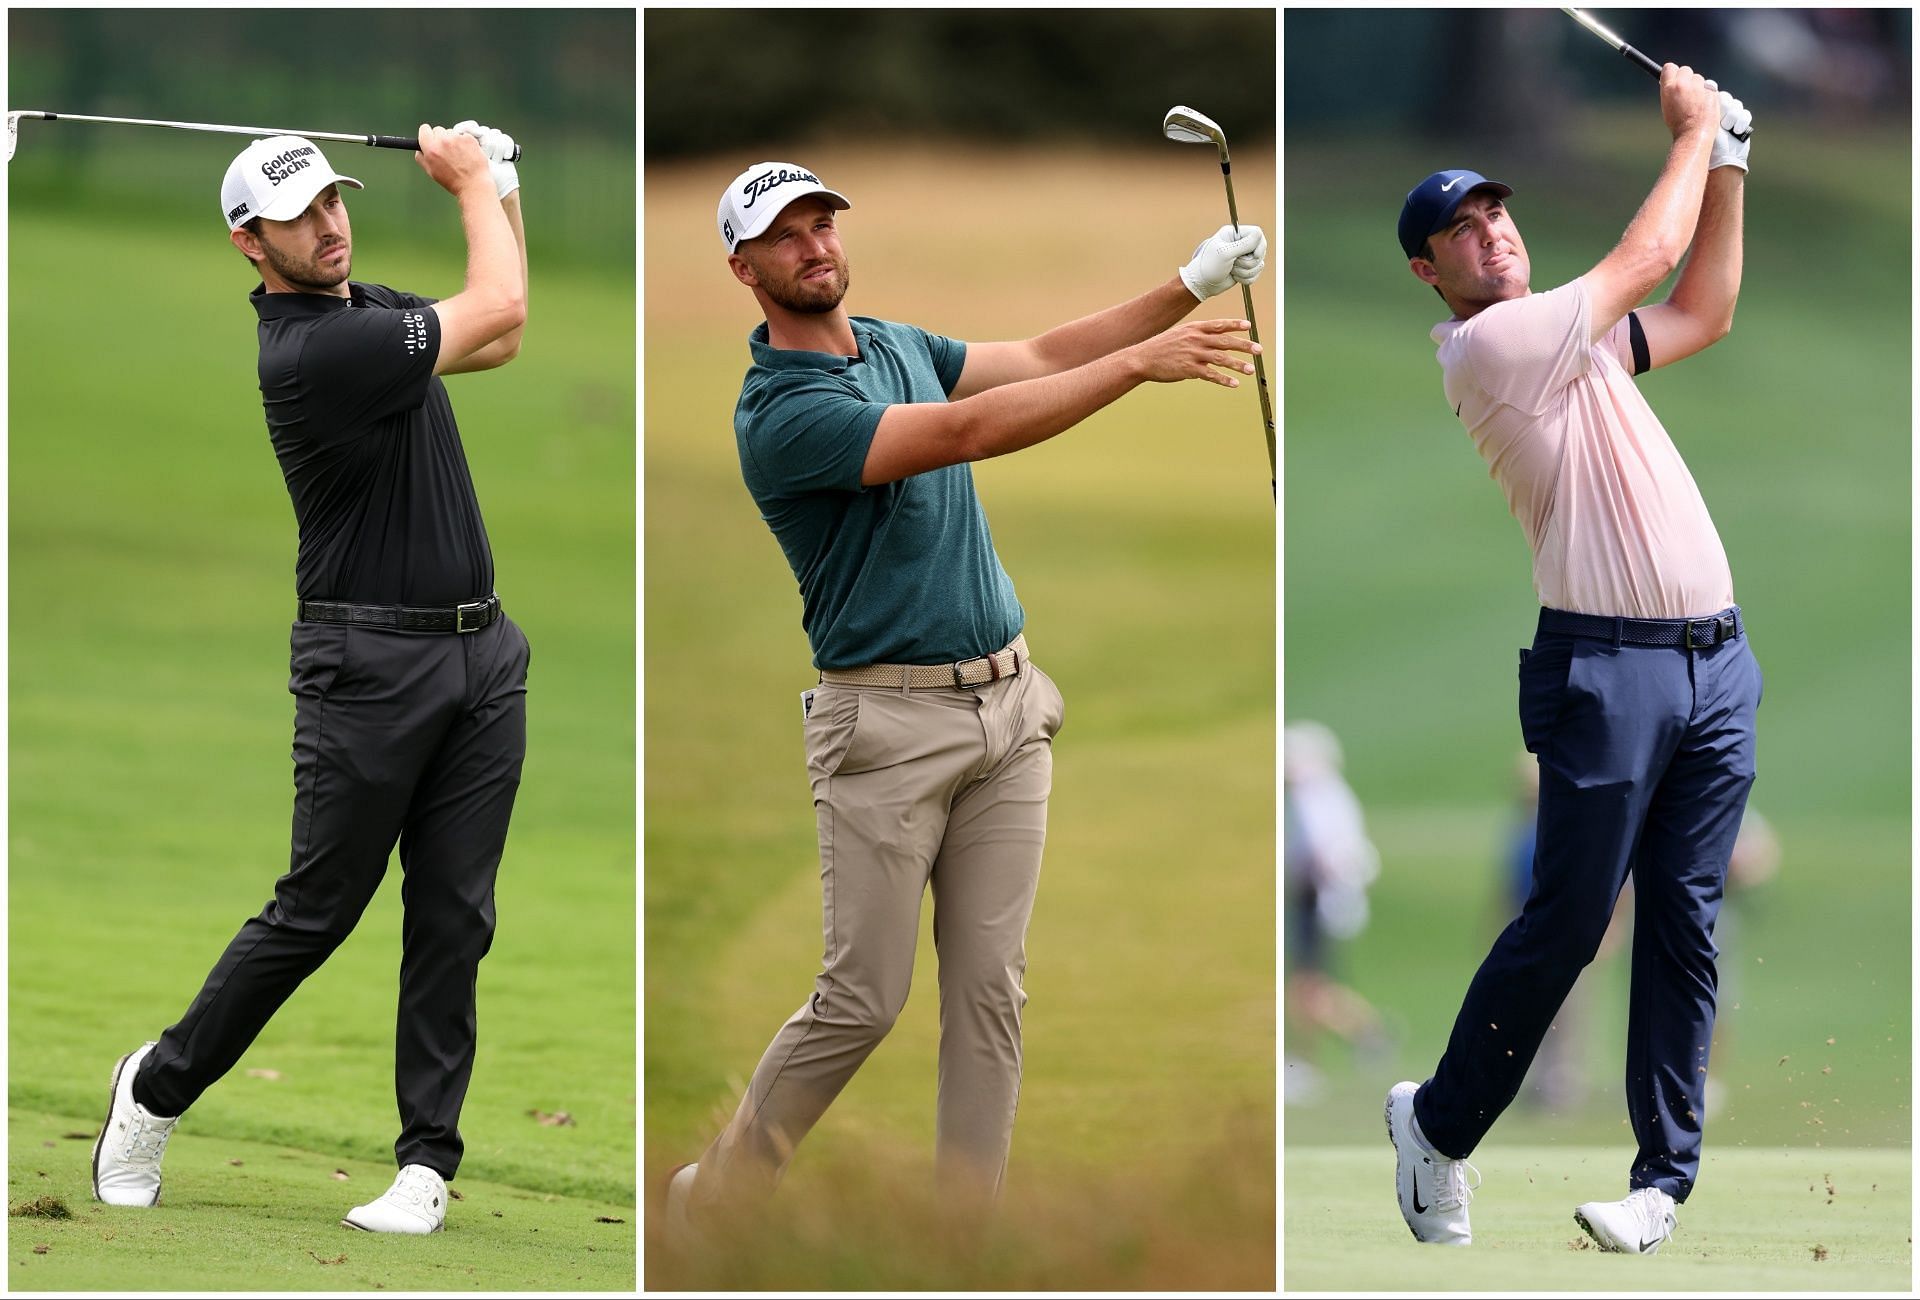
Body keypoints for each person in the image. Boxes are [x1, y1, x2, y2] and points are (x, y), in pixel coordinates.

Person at [663, 161, 1264, 1236]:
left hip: (1010, 710)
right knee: (864, 999)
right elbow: (963, 433)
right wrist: (1142, 364)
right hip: (885, 730)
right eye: (786, 236)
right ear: (743, 267)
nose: (815, 246)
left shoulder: (895, 344)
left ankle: (961, 1239)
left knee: (992, 997)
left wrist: (1188, 282)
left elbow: (1028, 359)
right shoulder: (783, 414)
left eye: (823, 224)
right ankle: (721, 1189)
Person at [89, 122, 532, 1236]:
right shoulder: (311, 353)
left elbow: (494, 341)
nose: (329, 224)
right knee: (317, 909)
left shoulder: (365, 309)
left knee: (453, 916)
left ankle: (426, 1163)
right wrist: (475, 183)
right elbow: (502, 310)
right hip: (367, 665)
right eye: (299, 215)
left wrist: (504, 189)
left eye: (335, 200)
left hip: (484, 656)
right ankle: (155, 1088)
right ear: (250, 242)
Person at [1382, 65, 1762, 1255]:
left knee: (1687, 919)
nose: (1488, 232)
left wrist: (1732, 162)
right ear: (1428, 276)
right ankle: (1438, 1131)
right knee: (1570, 918)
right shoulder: (1496, 347)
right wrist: (1695, 133)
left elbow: (1701, 310)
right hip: (1606, 668)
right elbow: (1648, 260)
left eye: (1494, 212)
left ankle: (1662, 1180)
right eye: (1459, 229)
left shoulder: (1576, 345)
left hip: (1716, 667)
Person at [1283, 721, 1387, 1106]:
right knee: (1311, 985)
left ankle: (1305, 1065)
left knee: (1305, 987)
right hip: (1317, 898)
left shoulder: (1319, 795)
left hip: (1317, 898)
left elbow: (1322, 852)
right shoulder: (1319, 795)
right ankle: (1368, 1031)